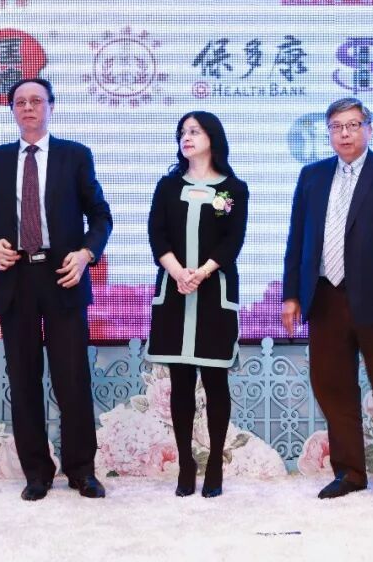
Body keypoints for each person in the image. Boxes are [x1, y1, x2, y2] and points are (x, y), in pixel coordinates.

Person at [0, 77, 112, 501]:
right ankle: (36, 472)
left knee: (72, 379)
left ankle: (81, 470)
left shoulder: (75, 156)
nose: (28, 107)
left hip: (63, 275)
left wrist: (86, 254)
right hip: (15, 278)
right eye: (20, 102)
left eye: (36, 100)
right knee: (24, 379)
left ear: (51, 106)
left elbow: (100, 215)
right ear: (12, 110)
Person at [281, 98, 373, 507]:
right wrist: (292, 295)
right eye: (336, 126)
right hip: (325, 296)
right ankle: (350, 472)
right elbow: (297, 239)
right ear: (329, 133)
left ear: (368, 129)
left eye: (353, 125)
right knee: (333, 386)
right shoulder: (311, 176)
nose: (344, 133)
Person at [145, 111, 248, 498]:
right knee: (181, 383)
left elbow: (231, 241)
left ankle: (215, 463)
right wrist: (177, 272)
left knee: (216, 381)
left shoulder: (230, 190)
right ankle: (186, 465)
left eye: (195, 131)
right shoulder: (169, 186)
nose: (186, 138)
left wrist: (200, 273)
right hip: (174, 293)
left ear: (212, 138)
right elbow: (156, 234)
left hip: (213, 294)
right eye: (182, 132)